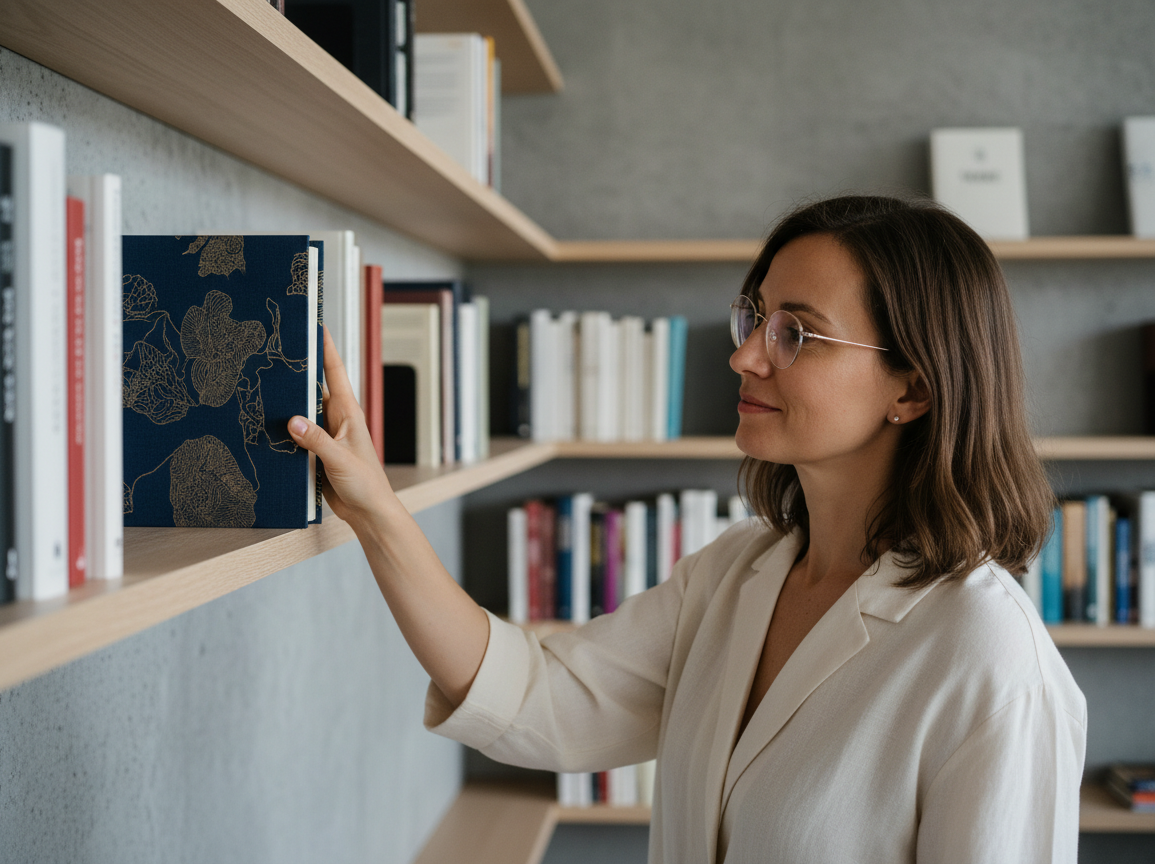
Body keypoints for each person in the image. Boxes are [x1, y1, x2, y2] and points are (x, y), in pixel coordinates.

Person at [288, 194, 1086, 864]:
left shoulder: (991, 660)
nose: (744, 356)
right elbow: (540, 702)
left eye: (795, 334)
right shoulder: (738, 573)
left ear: (911, 389)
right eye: (756, 317)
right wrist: (376, 511)